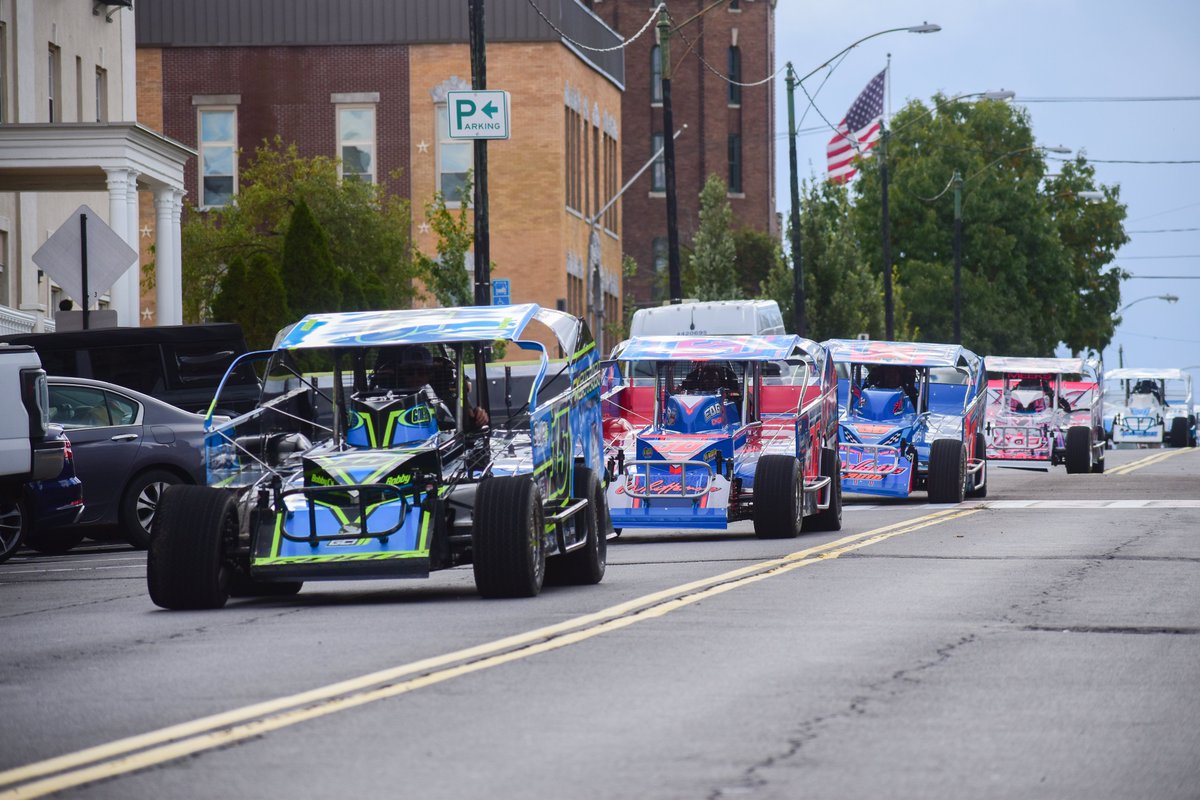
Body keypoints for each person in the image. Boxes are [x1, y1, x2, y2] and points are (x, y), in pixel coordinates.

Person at [374, 345, 489, 430]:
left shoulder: (446, 397)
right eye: (410, 371)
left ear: (430, 374)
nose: (415, 376)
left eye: (421, 371)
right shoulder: (387, 399)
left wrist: (479, 416)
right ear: (402, 374)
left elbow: (467, 422)